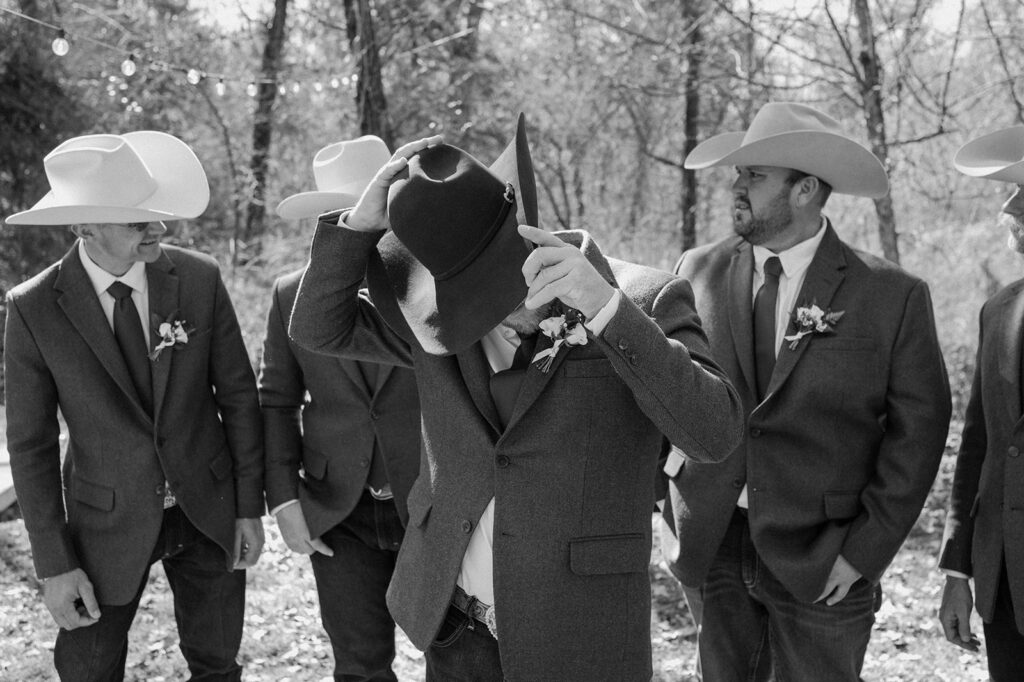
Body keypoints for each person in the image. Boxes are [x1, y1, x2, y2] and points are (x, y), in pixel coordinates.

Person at [287, 114, 744, 681]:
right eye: (467, 294)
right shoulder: (438, 320)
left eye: (494, 288)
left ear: (529, 233)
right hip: (454, 622)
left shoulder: (647, 298)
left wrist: (606, 311)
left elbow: (714, 433)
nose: (483, 311)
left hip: (580, 630)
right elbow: (317, 328)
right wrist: (358, 227)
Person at [663, 102, 952, 681]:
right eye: (739, 173)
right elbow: (667, 391)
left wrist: (865, 551)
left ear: (805, 190)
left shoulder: (891, 295)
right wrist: (667, 507)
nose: (736, 186)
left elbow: (918, 433)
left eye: (755, 175)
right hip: (712, 543)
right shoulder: (696, 271)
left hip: (826, 557)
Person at [4, 131, 264, 681]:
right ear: (83, 226)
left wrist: (247, 507)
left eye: (155, 214)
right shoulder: (32, 310)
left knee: (218, 665)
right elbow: (30, 446)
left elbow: (239, 398)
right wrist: (54, 565)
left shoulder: (199, 279)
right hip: (104, 522)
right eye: (136, 221)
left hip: (208, 507)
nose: (159, 229)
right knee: (88, 672)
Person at [260, 135, 422, 681]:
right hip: (338, 510)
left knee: (456, 660)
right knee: (358, 666)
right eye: (344, 214)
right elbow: (276, 401)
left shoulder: (434, 290)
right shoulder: (289, 295)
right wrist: (284, 500)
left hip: (429, 504)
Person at [938, 125, 1024, 681]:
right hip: (1004, 581)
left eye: (1022, 192)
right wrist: (957, 570)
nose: (1009, 208)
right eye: (1010, 192)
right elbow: (978, 448)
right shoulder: (998, 310)